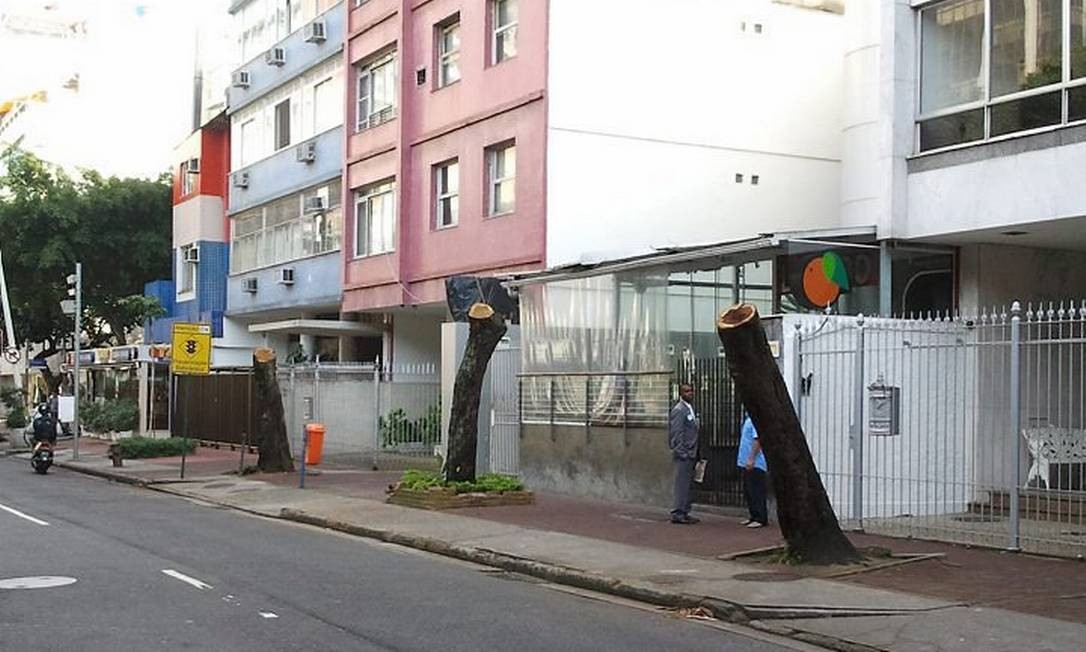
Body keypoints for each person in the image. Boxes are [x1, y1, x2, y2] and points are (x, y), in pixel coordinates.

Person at [668, 384, 700, 524]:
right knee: (681, 483)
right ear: (681, 394)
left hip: (692, 452)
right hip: (685, 453)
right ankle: (678, 512)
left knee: (689, 484)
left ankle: (685, 510)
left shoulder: (690, 408)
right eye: (686, 391)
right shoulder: (679, 410)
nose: (690, 393)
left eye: (691, 391)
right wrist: (682, 452)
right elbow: (677, 433)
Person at [737, 413, 768, 528]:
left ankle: (761, 518)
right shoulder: (748, 419)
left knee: (757, 490)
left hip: (755, 463)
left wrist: (751, 458)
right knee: (749, 490)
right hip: (746, 462)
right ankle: (753, 515)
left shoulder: (756, 420)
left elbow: (757, 439)